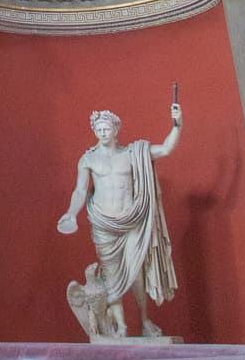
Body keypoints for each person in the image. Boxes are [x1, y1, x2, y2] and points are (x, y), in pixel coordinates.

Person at [57, 101, 182, 338]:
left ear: (116, 129)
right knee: (112, 275)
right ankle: (121, 327)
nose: (102, 133)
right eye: (99, 130)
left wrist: (177, 123)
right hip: (104, 223)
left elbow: (165, 149)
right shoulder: (88, 159)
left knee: (136, 273)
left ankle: (145, 321)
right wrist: (71, 213)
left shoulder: (133, 154)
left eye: (107, 129)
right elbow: (80, 191)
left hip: (132, 219)